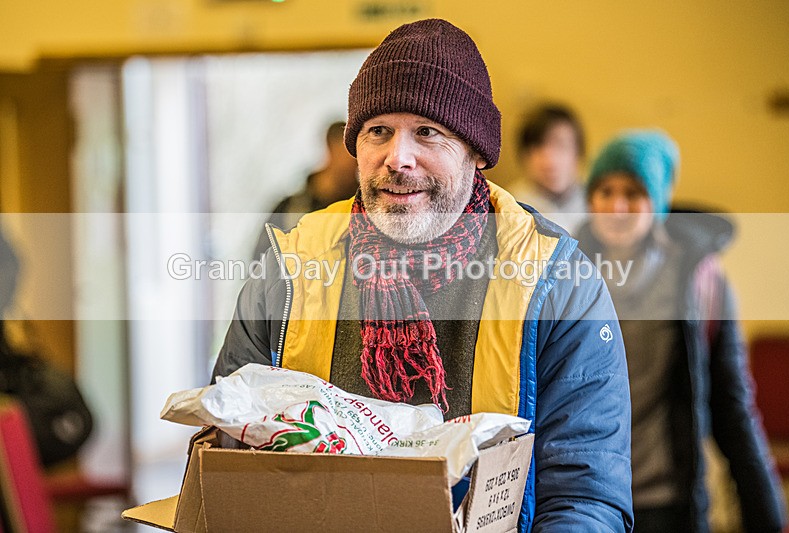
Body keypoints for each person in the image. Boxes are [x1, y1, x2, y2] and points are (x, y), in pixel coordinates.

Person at [214, 19, 632, 532]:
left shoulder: (558, 282)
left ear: (476, 152)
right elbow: (229, 455)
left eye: (428, 132)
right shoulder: (290, 269)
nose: (398, 158)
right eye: (378, 131)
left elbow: (585, 496)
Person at [576, 130, 787, 533]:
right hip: (585, 499)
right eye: (605, 191)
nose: (616, 207)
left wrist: (765, 515)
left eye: (633, 194)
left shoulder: (700, 282)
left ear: (657, 202)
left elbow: (731, 402)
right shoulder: (564, 270)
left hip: (666, 500)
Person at [253, 121, 358, 259]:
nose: (357, 160)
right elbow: (261, 263)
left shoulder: (364, 209)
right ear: (330, 147)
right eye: (350, 151)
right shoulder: (290, 209)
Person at [507, 104, 587, 235]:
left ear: (578, 153)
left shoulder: (598, 203)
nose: (550, 161)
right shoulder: (509, 207)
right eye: (539, 147)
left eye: (561, 146)